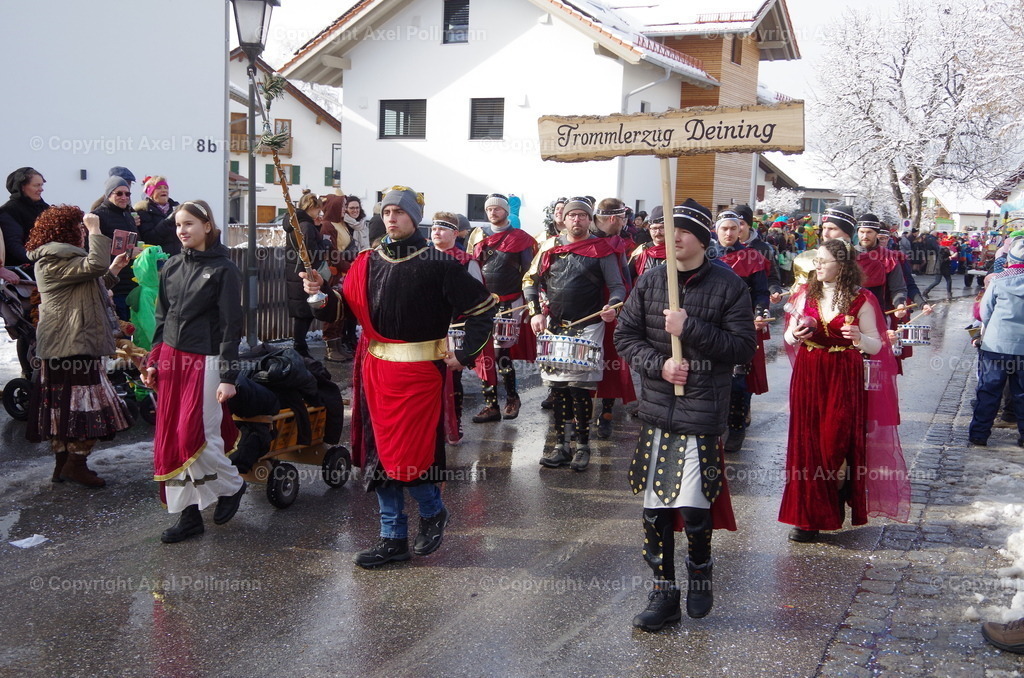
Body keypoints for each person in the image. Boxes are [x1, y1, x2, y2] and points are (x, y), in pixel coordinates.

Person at [313, 187, 495, 568]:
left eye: (399, 212)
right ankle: (392, 537)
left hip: (420, 375)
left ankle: (433, 511)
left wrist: (465, 355)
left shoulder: (440, 264)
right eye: (387, 212)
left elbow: (482, 310)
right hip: (376, 371)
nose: (391, 218)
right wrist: (319, 296)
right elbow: (341, 310)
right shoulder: (367, 262)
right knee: (380, 457)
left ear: (414, 217)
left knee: (412, 456)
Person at [614, 198, 755, 631]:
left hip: (701, 411)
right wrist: (659, 365)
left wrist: (688, 327)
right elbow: (625, 336)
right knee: (655, 510)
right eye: (668, 228)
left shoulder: (729, 286)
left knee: (693, 507)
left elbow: (741, 348)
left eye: (684, 230)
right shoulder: (651, 279)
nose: (672, 236)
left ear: (702, 238)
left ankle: (700, 571)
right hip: (657, 410)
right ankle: (663, 593)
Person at [780, 239, 909, 542]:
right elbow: (787, 338)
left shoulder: (861, 298)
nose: (817, 266)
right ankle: (807, 518)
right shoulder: (804, 293)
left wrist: (859, 338)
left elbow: (877, 345)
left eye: (823, 261)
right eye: (817, 260)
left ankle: (835, 498)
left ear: (842, 266)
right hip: (810, 372)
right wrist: (794, 334)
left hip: (843, 373)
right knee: (807, 444)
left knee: (834, 442)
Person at [143, 200, 247, 544]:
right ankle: (188, 516)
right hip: (171, 360)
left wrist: (228, 377)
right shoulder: (171, 266)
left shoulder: (224, 270)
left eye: (188, 223)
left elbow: (232, 326)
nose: (182, 230)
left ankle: (232, 485)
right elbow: (161, 319)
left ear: (207, 226)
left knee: (197, 436)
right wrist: (153, 361)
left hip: (207, 361)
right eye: (178, 225)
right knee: (172, 440)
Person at [26, 206, 132, 487]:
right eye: (79, 228)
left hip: (72, 343)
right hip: (70, 344)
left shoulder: (65, 261)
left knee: (66, 410)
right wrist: (97, 230)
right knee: (83, 408)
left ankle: (64, 466)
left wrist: (115, 269)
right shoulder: (50, 261)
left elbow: (93, 282)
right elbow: (93, 268)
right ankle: (75, 464)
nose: (83, 232)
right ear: (66, 232)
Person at [523, 197, 626, 471]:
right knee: (558, 389)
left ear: (589, 219)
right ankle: (560, 446)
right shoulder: (549, 247)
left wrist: (612, 306)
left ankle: (582, 447)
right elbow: (530, 280)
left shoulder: (601, 249)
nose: (576, 220)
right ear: (564, 219)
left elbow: (617, 286)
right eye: (572, 215)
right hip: (555, 326)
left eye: (582, 215)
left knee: (579, 390)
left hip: (588, 326)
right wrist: (535, 312)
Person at [466, 193, 537, 422]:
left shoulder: (521, 238)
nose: (492, 212)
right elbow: (469, 265)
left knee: (500, 353)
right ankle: (491, 405)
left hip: (509, 302)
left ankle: (512, 398)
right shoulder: (477, 235)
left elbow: (529, 273)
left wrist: (529, 304)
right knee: (483, 353)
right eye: (489, 209)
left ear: (506, 211)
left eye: (497, 209)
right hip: (482, 303)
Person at [714, 211, 771, 452]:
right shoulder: (706, 255)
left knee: (739, 379)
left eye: (733, 228)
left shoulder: (752, 257)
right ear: (716, 230)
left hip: (742, 324)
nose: (728, 233)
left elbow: (761, 293)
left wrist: (760, 313)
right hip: (713, 324)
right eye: (724, 228)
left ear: (740, 231)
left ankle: (736, 428)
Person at [430, 211, 484, 444]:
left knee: (453, 376)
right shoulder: (421, 257)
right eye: (434, 229)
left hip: (455, 328)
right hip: (426, 330)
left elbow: (478, 301)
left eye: (442, 229)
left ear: (454, 233)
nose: (436, 233)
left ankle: (454, 422)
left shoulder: (466, 261)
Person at [967, 239, 1024, 447]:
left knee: (989, 390)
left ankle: (979, 434)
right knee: (1022, 394)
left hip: (996, 346)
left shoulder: (999, 281)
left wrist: (988, 332)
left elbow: (985, 312)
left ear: (1010, 260)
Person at [590, 197, 636, 439]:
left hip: (611, 307)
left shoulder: (617, 242)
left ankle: (606, 412)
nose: (625, 222)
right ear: (613, 219)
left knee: (610, 358)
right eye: (622, 218)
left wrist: (622, 306)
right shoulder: (584, 240)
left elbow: (624, 280)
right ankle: (578, 414)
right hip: (585, 308)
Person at [285, 191, 328, 357]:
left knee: (303, 313)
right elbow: (311, 252)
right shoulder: (306, 226)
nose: (319, 212)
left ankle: (300, 347)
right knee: (305, 313)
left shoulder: (296, 223)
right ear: (311, 207)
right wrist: (325, 244)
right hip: (305, 274)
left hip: (296, 271)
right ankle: (300, 348)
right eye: (318, 209)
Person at [91, 175, 139, 320]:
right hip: (113, 284)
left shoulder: (128, 215)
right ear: (108, 194)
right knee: (119, 327)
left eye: (127, 194)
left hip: (131, 282)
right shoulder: (98, 216)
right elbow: (95, 250)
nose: (124, 197)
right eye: (119, 193)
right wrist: (129, 252)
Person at [1, 167, 49, 272]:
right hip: (24, 270)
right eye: (36, 185)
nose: (41, 189)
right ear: (22, 187)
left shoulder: (45, 208)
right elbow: (13, 245)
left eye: (41, 185)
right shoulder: (9, 211)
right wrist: (40, 261)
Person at [135, 175, 181, 255]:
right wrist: (167, 221)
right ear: (151, 192)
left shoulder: (177, 209)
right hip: (157, 258)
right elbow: (149, 239)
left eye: (166, 187)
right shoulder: (144, 211)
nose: (164, 190)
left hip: (178, 257)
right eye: (159, 188)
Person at [627, 206, 667, 280]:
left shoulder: (677, 251)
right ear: (649, 229)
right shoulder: (641, 251)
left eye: (662, 228)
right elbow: (628, 278)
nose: (658, 232)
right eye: (654, 228)